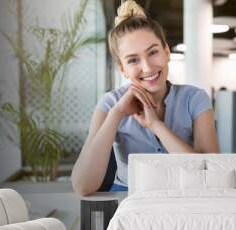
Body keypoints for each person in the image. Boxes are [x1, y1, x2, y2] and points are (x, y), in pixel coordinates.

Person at [71, 0, 219, 196]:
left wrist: (156, 125)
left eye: (153, 52)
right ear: (122, 69)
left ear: (166, 52)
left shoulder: (195, 99)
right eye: (133, 60)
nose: (147, 67)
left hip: (185, 198)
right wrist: (116, 114)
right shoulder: (110, 104)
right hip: (127, 199)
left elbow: (210, 176)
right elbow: (83, 186)